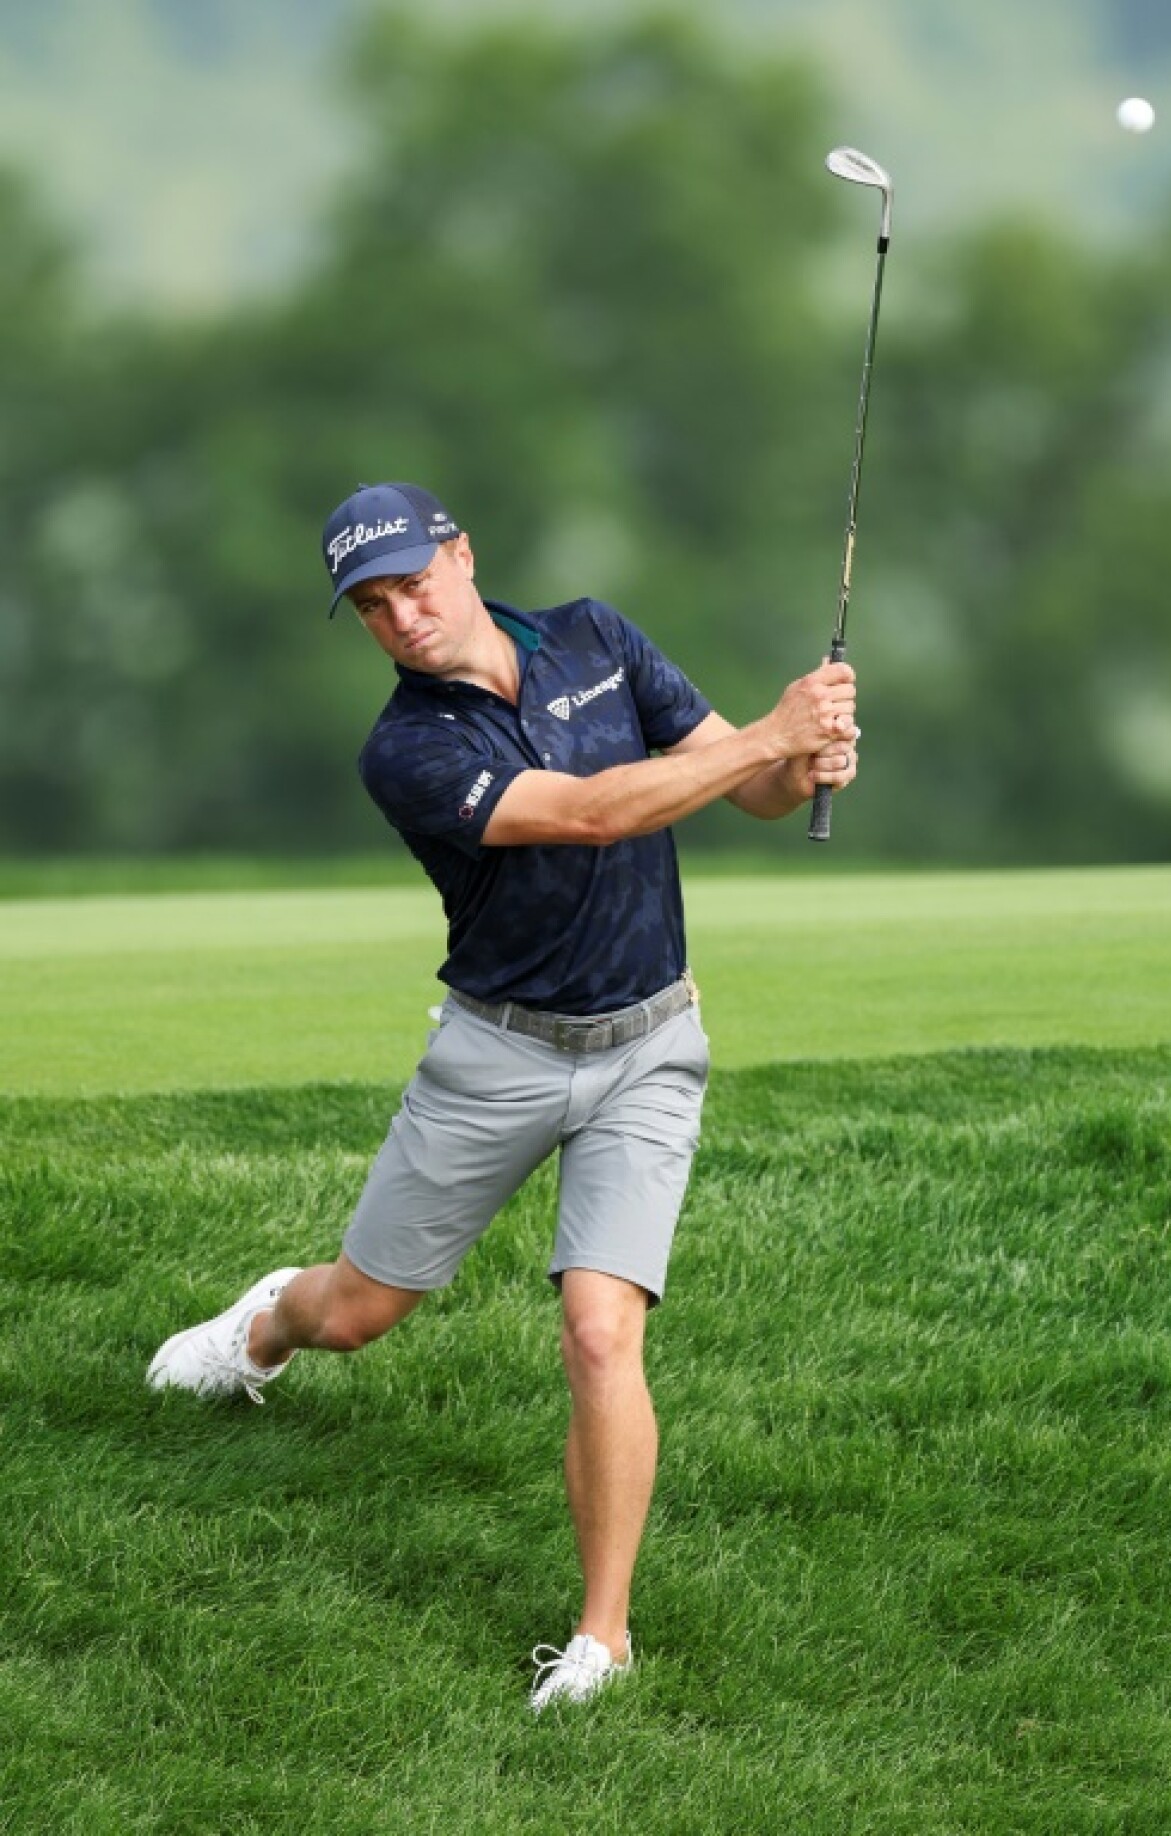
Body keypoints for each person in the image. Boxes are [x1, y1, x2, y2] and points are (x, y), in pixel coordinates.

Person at [147, 481, 858, 1710]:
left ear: (464, 554)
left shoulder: (595, 636)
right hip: (498, 1055)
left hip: (650, 1047)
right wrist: (772, 732)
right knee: (361, 1311)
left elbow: (740, 790)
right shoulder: (407, 748)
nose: (405, 617)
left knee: (601, 1326)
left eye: (415, 581)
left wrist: (800, 762)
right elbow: (585, 816)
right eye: (373, 607)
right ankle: (265, 1324)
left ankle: (602, 1641)